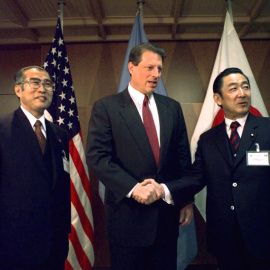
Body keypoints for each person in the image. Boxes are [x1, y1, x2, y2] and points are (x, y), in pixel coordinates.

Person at [86, 43, 193, 270]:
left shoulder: (172, 107)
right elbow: (98, 157)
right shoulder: (106, 107)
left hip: (166, 217)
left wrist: (186, 199)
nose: (156, 75)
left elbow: (182, 158)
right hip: (127, 220)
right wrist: (135, 188)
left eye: (159, 69)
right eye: (149, 67)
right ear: (131, 67)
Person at [150, 67, 270, 270]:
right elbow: (195, 178)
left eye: (245, 87)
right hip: (226, 236)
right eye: (233, 88)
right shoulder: (208, 140)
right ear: (218, 98)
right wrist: (164, 189)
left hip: (262, 234)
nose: (242, 93)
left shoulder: (267, 129)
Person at [0, 66, 71, 269]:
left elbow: (61, 185)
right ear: (18, 90)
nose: (42, 89)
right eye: (35, 82)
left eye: (47, 84)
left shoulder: (60, 134)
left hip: (55, 242)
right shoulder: (3, 128)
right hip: (13, 242)